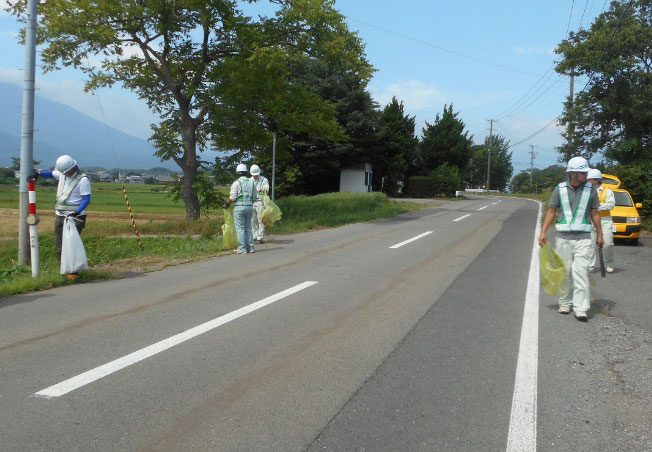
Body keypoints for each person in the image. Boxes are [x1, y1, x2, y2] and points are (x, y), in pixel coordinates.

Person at [539, 156, 604, 321]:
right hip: (563, 238)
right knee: (565, 272)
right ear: (573, 173)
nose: (586, 175)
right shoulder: (559, 189)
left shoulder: (591, 190)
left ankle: (581, 307)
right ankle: (565, 302)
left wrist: (600, 235)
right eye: (582, 172)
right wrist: (543, 232)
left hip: (584, 239)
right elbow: (552, 211)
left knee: (581, 272)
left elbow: (595, 214)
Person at [33, 155, 91, 279]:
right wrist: (38, 173)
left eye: (66, 172)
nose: (65, 174)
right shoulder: (62, 175)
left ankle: (73, 272)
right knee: (59, 244)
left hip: (75, 218)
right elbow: (51, 174)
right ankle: (64, 269)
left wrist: (77, 211)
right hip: (60, 216)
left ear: (73, 168)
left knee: (71, 245)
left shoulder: (83, 180)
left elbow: (86, 199)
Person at [223, 163, 258, 254]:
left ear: (237, 173)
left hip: (239, 207)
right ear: (246, 173)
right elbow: (255, 197)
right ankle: (251, 248)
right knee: (248, 228)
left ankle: (242, 249)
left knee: (240, 229)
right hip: (250, 207)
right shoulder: (252, 183)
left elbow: (233, 197)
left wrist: (227, 204)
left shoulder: (236, 183)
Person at [587, 169, 615, 273]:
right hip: (591, 220)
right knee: (591, 245)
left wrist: (597, 207)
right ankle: (590, 266)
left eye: (589, 179)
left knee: (607, 243)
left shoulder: (607, 191)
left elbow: (611, 205)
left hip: (605, 220)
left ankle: (609, 263)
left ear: (596, 180)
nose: (587, 180)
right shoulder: (587, 191)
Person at [249, 164, 270, 244]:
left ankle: (260, 237)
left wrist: (263, 190)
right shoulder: (250, 180)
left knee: (261, 219)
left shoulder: (263, 179)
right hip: (251, 202)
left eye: (256, 174)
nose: (255, 176)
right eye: (254, 175)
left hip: (260, 201)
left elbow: (267, 189)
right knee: (252, 220)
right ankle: (255, 235)